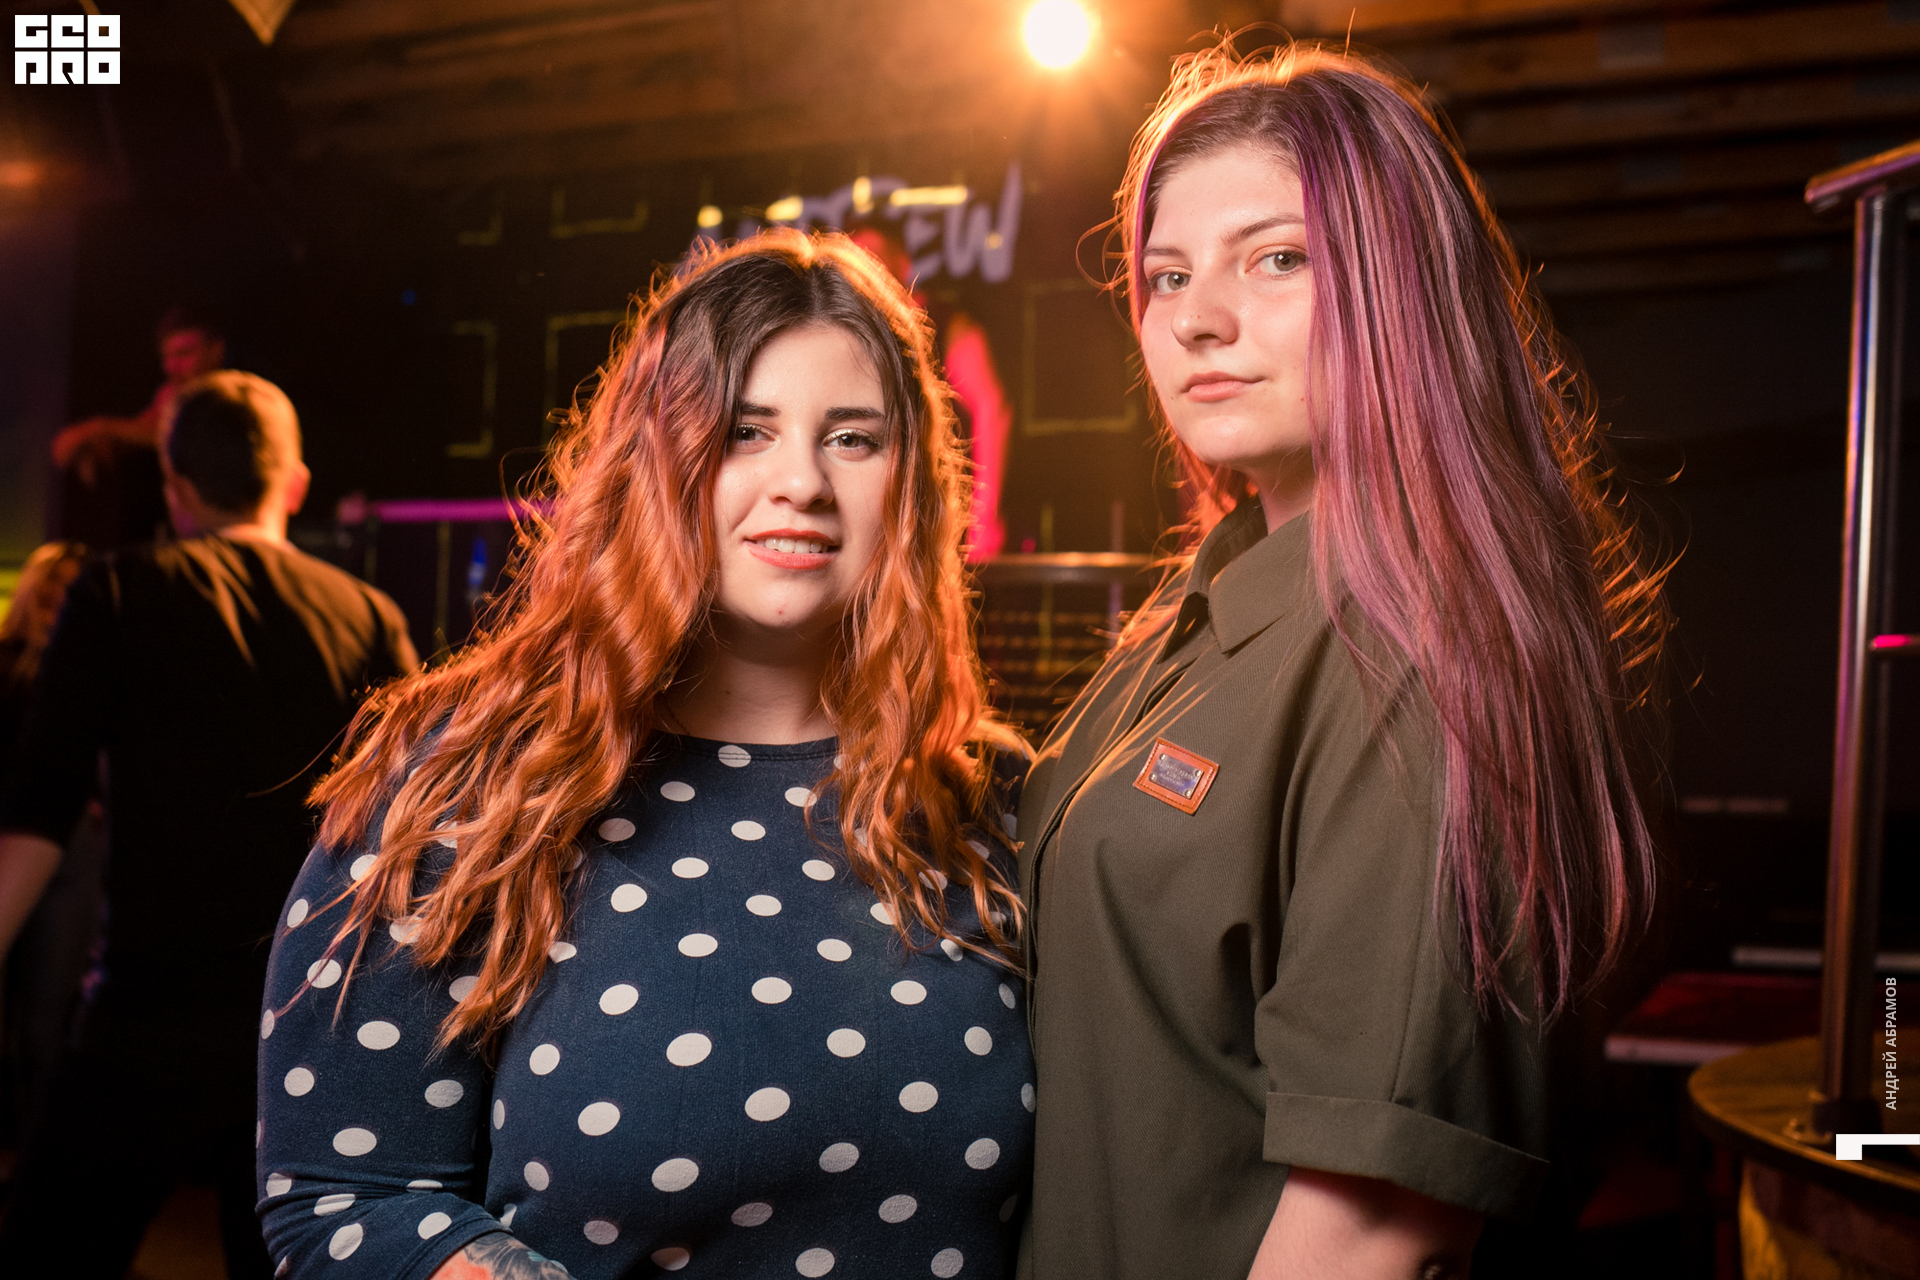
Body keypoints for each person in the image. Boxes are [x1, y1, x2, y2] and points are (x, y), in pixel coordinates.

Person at [256, 230, 1033, 1280]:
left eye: (852, 438)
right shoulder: (470, 783)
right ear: (656, 458)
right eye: (745, 431)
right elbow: (345, 1197)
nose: (801, 480)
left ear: (910, 487)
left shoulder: (986, 801)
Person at [1015, 43, 1672, 1280]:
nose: (1197, 316)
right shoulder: (1207, 604)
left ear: (1399, 288)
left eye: (1277, 258)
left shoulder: (1417, 656)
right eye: (1167, 274)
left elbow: (1373, 1235)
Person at [0, 371, 417, 1277]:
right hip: (304, 1028)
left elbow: (38, 816)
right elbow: (409, 839)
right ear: (294, 484)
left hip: (143, 1023)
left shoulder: (116, 592)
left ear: (175, 487)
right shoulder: (371, 618)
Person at [0, 541, 107, 1161]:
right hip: (13, 838)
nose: (57, 596)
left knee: (48, 1015)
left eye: (71, 586)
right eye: (50, 583)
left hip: (70, 845)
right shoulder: (8, 662)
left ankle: (35, 1162)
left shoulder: (92, 671)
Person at [847, 224, 1011, 562]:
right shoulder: (849, 336)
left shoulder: (945, 325)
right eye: (856, 261)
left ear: (902, 264)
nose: (865, 271)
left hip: (936, 520)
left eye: (875, 258)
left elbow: (992, 409)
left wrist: (984, 517)